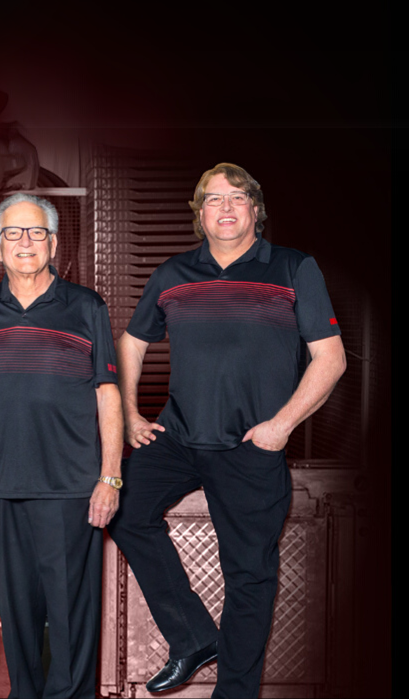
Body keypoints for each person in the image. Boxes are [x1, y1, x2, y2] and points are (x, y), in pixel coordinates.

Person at [106, 163, 347, 697]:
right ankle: (193, 637)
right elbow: (131, 344)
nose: (226, 208)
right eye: (213, 200)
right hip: (178, 437)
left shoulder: (291, 268)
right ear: (199, 215)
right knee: (121, 510)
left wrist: (280, 427)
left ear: (256, 210)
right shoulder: (173, 275)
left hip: (251, 446)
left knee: (249, 578)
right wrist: (129, 416)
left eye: (238, 198)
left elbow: (330, 359)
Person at [0, 193, 122, 699]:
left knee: (70, 616)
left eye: (36, 232)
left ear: (54, 243)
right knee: (17, 612)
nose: (25, 242)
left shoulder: (86, 307)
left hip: (70, 485)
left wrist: (109, 477)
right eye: (14, 234)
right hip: (2, 485)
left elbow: (108, 396)